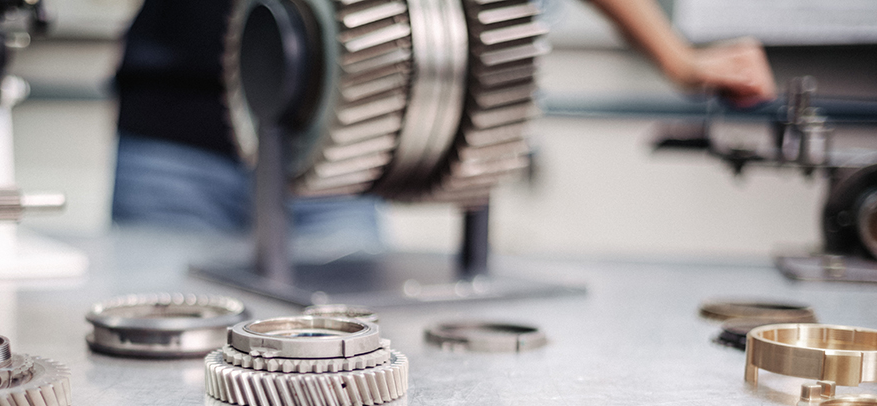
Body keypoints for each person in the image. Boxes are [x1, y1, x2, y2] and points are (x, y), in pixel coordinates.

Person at [111, 0, 776, 235]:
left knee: (338, 376)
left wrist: (677, 57)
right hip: (175, 133)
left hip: (339, 157)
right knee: (157, 364)